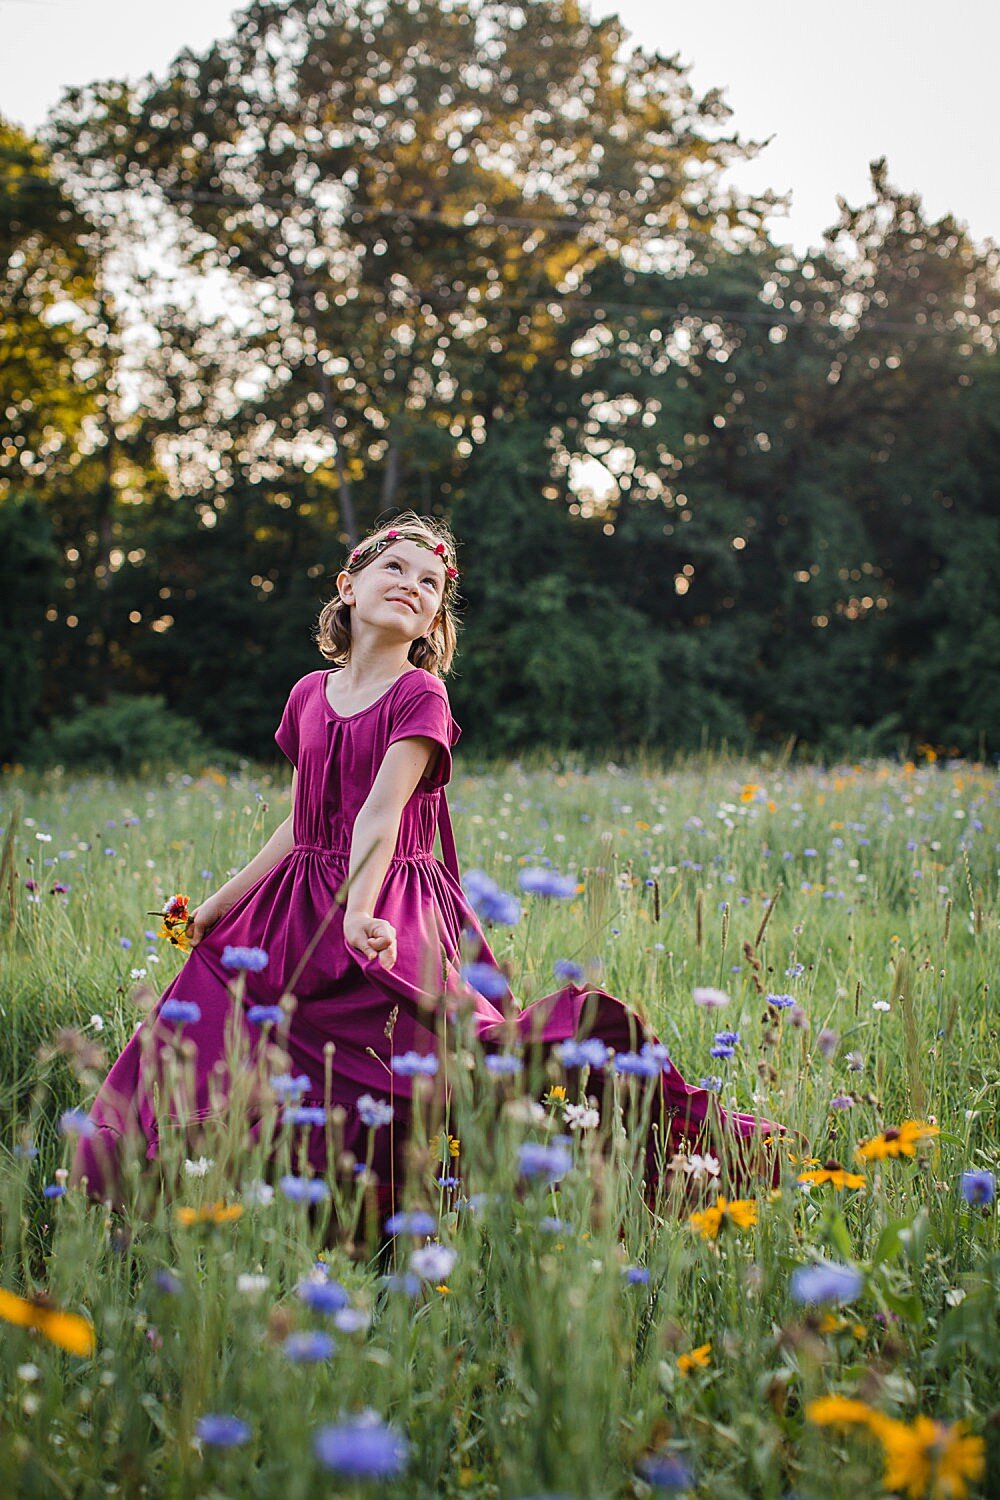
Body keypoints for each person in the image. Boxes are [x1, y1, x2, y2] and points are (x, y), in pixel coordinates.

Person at [72, 511, 775, 1214]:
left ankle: (479, 1183)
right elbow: (301, 819)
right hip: (292, 909)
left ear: (436, 619)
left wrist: (356, 913)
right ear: (349, 587)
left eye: (432, 582)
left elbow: (379, 814)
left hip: (386, 909)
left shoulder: (419, 694)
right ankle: (188, 1189)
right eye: (396, 569)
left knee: (411, 1070)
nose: (414, 585)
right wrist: (222, 903)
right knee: (216, 1040)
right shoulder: (308, 694)